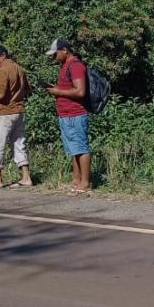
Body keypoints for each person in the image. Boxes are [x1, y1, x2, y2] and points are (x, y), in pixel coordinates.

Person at [44, 37, 91, 195]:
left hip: (76, 114)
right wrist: (56, 89)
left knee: (81, 148)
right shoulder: (65, 66)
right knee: (73, 149)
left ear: (64, 50)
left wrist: (58, 91)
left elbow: (80, 91)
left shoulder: (76, 66)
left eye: (55, 53)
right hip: (65, 114)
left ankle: (84, 183)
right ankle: (76, 180)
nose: (54, 57)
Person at [0, 43, 32, 189]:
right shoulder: (19, 68)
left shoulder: (2, 71)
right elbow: (28, 90)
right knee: (19, 144)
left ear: (3, 55)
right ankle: (26, 177)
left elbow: (1, 95)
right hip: (19, 111)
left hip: (4, 112)